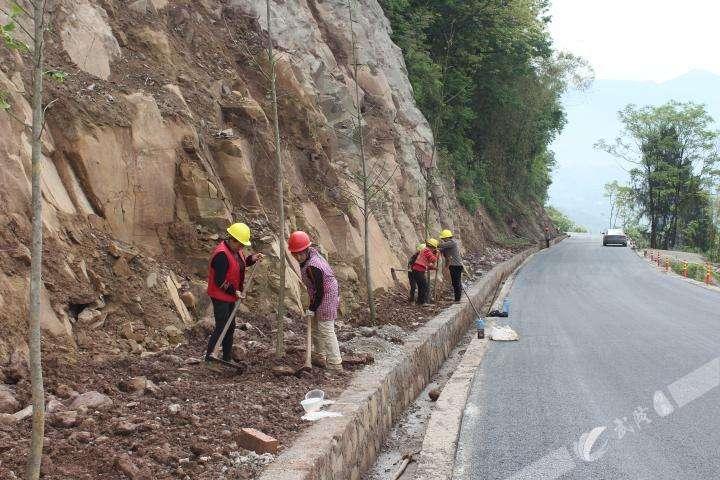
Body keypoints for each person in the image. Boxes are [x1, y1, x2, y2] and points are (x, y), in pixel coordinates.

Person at [205, 222, 264, 362]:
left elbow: (240, 266)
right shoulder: (221, 255)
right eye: (240, 244)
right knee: (222, 326)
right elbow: (219, 281)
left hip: (231, 296)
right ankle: (209, 358)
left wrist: (252, 259)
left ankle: (226, 357)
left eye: (243, 245)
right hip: (220, 296)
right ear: (232, 239)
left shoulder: (236, 251)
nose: (242, 247)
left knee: (230, 327)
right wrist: (234, 291)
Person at [288, 231, 343, 371]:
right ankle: (320, 356)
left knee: (326, 329)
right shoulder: (310, 255)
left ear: (306, 250)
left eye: (301, 253)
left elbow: (320, 290)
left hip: (327, 296)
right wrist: (312, 308)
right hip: (319, 295)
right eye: (296, 254)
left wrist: (312, 308)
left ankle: (335, 363)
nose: (298, 257)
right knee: (316, 328)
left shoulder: (314, 265)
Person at [411, 238, 439, 305]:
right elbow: (433, 260)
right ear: (433, 247)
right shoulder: (427, 250)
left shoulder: (425, 250)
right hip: (418, 270)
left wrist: (433, 268)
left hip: (418, 270)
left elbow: (425, 263)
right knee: (424, 286)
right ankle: (422, 302)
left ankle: (419, 302)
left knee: (421, 286)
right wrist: (436, 254)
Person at [438, 229, 463, 302]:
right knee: (455, 282)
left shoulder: (452, 243)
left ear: (448, 237)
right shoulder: (447, 245)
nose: (443, 240)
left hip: (456, 266)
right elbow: (441, 250)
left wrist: (433, 243)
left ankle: (457, 299)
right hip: (452, 266)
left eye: (444, 238)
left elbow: (440, 245)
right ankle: (457, 298)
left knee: (456, 282)